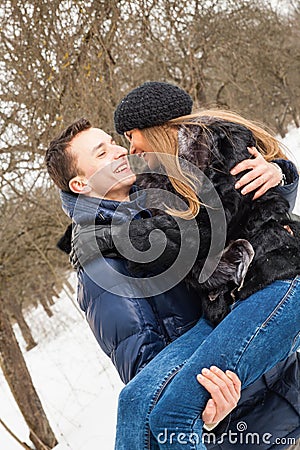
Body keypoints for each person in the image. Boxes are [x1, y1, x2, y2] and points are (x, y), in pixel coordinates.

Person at [108, 81, 300, 449]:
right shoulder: (158, 180)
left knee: (173, 413)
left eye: (132, 135)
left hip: (278, 281)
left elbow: (206, 229)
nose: (130, 148)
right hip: (226, 306)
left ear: (155, 126)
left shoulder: (222, 142)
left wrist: (282, 170)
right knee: (134, 401)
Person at [45, 119, 242, 428]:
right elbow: (148, 376)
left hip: (277, 382)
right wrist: (202, 412)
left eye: (113, 143)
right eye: (102, 153)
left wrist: (279, 175)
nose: (120, 151)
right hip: (239, 417)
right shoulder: (101, 265)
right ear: (81, 185)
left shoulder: (166, 196)